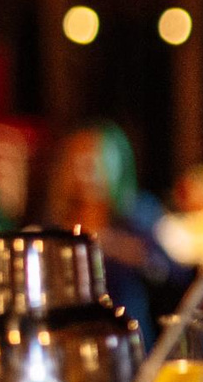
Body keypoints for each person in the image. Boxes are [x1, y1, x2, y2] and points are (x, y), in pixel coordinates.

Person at [42, 121, 186, 340]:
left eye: (94, 159)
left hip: (130, 341)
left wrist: (125, 250)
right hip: (69, 341)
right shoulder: (51, 227)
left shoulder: (138, 216)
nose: (84, 170)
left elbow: (173, 276)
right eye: (77, 159)